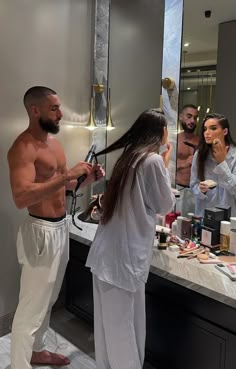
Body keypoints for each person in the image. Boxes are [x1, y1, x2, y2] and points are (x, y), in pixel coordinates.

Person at [7, 86, 105, 369]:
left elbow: (63, 189)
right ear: (35, 110)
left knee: (49, 298)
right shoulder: (22, 147)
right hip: (39, 231)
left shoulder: (54, 145)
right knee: (31, 305)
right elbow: (21, 196)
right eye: (54, 108)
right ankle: (19, 364)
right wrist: (65, 178)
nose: (61, 114)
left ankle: (36, 351)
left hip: (60, 228)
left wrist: (86, 180)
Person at [85, 108, 175, 369]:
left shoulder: (128, 158)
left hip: (108, 255)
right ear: (160, 132)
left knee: (108, 329)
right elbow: (164, 204)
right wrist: (165, 163)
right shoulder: (152, 161)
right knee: (123, 332)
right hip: (123, 260)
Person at [190, 112, 236, 217]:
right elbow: (193, 185)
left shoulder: (235, 155)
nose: (207, 133)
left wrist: (222, 163)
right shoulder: (200, 154)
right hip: (205, 214)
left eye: (213, 128)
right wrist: (200, 190)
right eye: (205, 129)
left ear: (225, 131)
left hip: (229, 217)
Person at [176, 104, 199, 216]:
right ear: (181, 116)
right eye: (189, 116)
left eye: (195, 117)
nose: (192, 121)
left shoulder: (202, 142)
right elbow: (166, 166)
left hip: (196, 191)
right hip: (178, 188)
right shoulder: (175, 140)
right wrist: (184, 163)